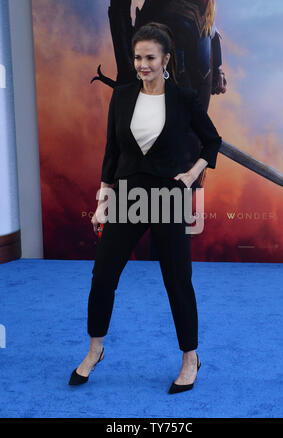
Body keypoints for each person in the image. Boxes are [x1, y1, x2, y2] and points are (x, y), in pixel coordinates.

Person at [69, 22, 222, 394]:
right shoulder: (121, 97)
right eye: (138, 57)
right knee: (103, 276)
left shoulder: (185, 99)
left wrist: (191, 174)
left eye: (150, 57)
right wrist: (103, 201)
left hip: (168, 198)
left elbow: (212, 142)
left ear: (166, 59)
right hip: (127, 197)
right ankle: (94, 350)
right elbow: (111, 154)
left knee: (177, 281)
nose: (142, 64)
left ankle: (190, 358)